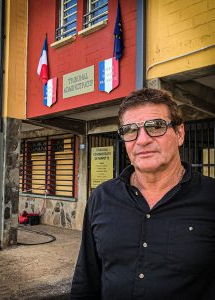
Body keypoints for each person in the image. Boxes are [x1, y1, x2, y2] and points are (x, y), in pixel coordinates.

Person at [70, 88, 215, 300]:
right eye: (130, 130)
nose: (142, 140)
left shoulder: (210, 198)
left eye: (156, 126)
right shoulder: (102, 197)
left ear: (180, 133)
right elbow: (86, 280)